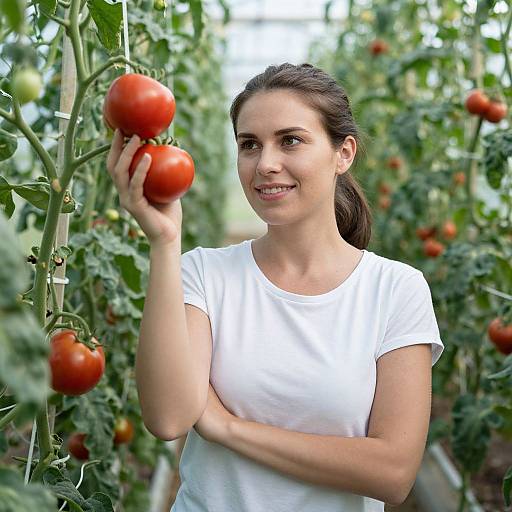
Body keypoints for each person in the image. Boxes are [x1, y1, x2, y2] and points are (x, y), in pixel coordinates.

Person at [106, 62, 444, 512]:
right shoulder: (203, 273)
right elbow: (169, 418)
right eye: (249, 145)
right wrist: (165, 241)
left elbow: (392, 473)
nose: (265, 164)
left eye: (291, 140)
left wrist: (227, 427)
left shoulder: (396, 290)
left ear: (343, 153)